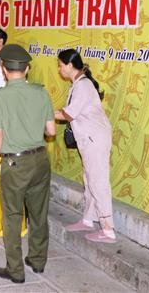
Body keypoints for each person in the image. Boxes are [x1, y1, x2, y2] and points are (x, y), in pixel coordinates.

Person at [0, 44, 56, 283]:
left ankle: (15, 270)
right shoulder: (41, 93)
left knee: (12, 216)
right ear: (27, 69)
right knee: (39, 213)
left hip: (15, 165)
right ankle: (37, 261)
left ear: (4, 69)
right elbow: (51, 131)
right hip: (40, 161)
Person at [55, 49, 116, 243]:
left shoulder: (83, 86)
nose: (59, 69)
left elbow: (68, 115)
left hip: (95, 138)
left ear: (69, 65)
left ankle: (108, 229)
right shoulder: (78, 84)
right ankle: (89, 220)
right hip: (89, 139)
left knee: (98, 181)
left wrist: (42, 112)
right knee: (89, 179)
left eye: (60, 65)